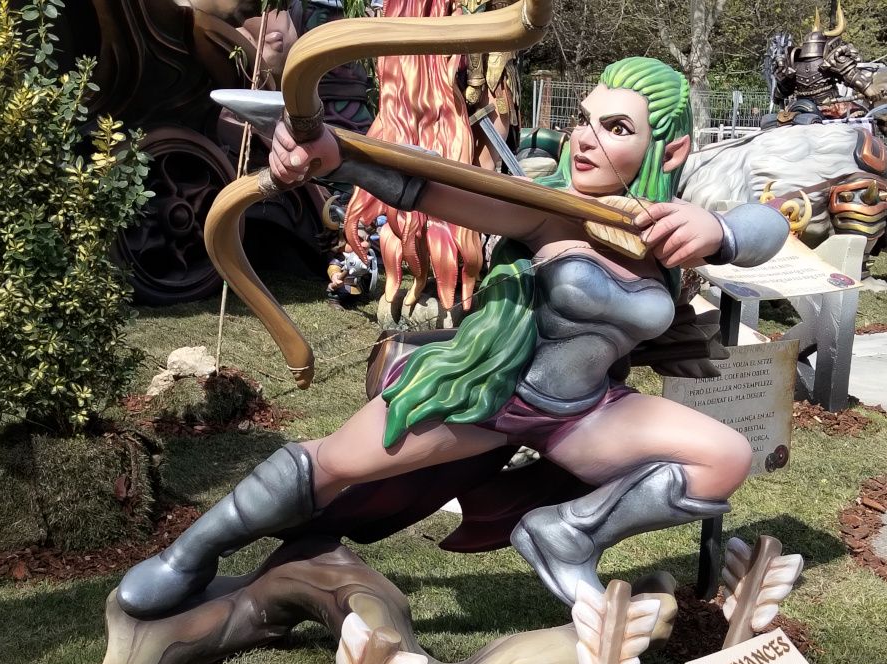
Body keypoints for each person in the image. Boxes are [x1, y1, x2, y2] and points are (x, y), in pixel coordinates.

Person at [117, 57, 790, 618]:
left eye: (615, 128)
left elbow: (777, 223)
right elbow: (430, 184)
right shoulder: (546, 211)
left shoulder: (667, 228)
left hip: (586, 413)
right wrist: (337, 154)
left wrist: (720, 232)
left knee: (724, 455)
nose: (584, 139)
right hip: (492, 395)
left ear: (669, 150)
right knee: (331, 464)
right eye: (584, 119)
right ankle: (188, 555)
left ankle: (567, 536)